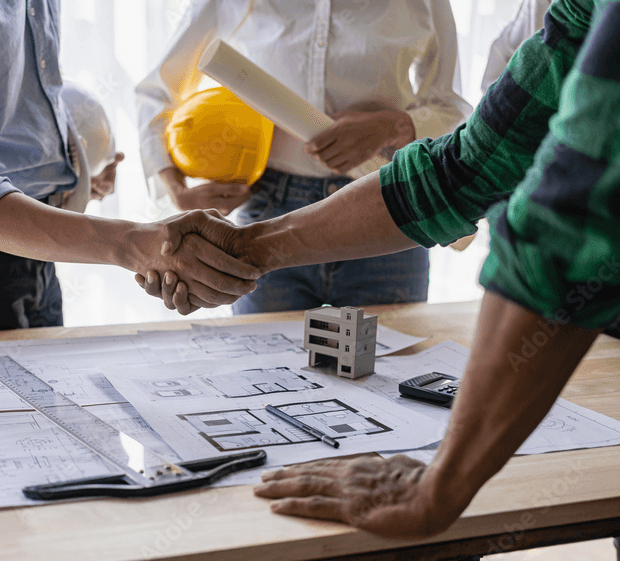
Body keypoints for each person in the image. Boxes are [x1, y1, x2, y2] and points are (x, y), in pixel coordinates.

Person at [137, 0, 620, 538]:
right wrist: (247, 248)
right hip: (283, 198)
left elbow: (572, 225)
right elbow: (467, 168)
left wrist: (443, 482)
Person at [0, 0, 260, 335]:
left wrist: (72, 169)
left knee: (46, 421)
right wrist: (135, 244)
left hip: (36, 240)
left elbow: (20, 85)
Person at [135, 0, 471, 314]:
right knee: (259, 369)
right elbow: (157, 91)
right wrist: (174, 187)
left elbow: (452, 109)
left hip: (386, 203)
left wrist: (394, 127)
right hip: (269, 209)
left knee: (387, 364)